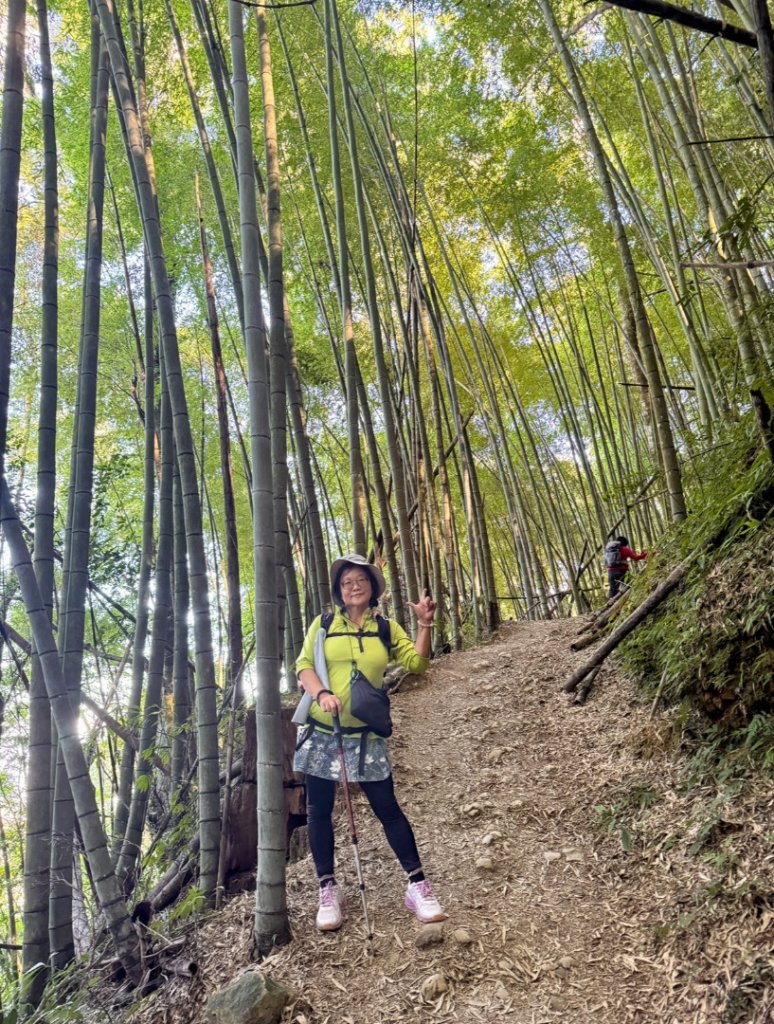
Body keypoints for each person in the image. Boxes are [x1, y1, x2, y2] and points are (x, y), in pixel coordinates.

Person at [294, 553, 446, 932]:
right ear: (338, 590)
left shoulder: (386, 628)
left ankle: (418, 885)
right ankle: (327, 887)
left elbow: (418, 664)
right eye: (346, 581)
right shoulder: (324, 623)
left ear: (373, 587)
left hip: (367, 733)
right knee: (319, 810)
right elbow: (303, 666)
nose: (353, 586)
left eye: (360, 579)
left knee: (387, 808)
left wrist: (425, 623)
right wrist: (322, 693)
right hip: (323, 729)